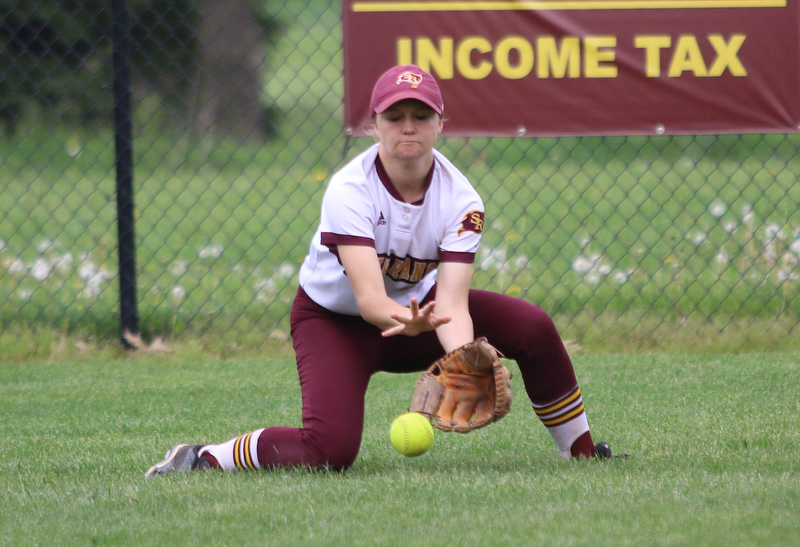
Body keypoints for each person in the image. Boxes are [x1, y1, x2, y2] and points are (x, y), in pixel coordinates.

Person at [146, 64, 618, 477]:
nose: (407, 127)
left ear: (440, 123)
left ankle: (580, 453)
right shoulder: (350, 189)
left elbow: (452, 303)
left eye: (421, 116)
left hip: (423, 313)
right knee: (328, 452)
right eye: (394, 116)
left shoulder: (461, 200)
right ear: (374, 125)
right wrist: (407, 321)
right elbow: (370, 300)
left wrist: (466, 364)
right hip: (334, 322)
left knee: (531, 326)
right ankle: (206, 457)